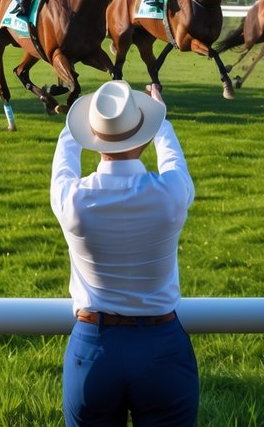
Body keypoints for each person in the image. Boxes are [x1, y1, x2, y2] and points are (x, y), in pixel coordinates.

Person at [51, 80, 198, 425]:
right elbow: (173, 159)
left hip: (93, 349)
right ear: (144, 137)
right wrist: (161, 119)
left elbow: (64, 161)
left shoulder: (72, 200)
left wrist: (78, 117)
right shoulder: (172, 194)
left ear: (93, 136)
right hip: (162, 347)